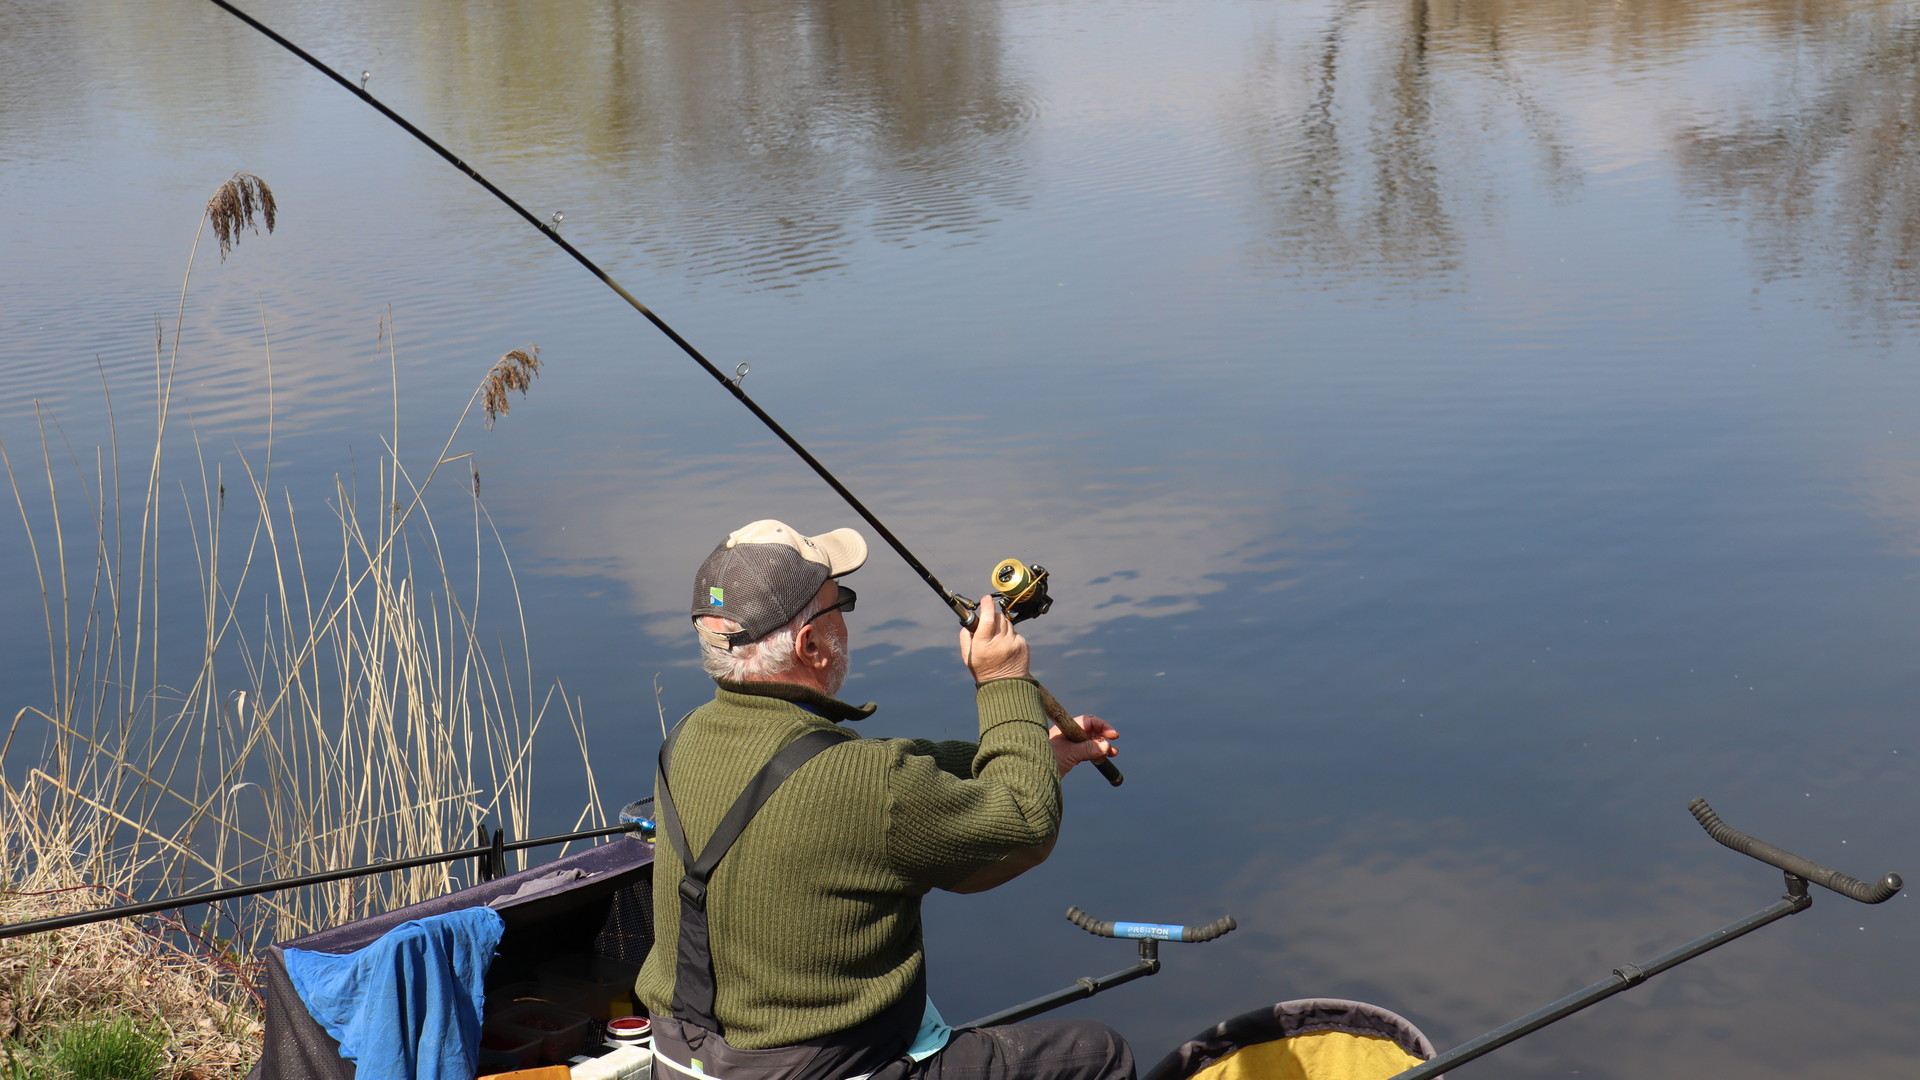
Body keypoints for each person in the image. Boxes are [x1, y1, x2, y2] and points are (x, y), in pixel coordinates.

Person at [637, 519, 1129, 1080]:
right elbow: (1025, 823)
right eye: (841, 602)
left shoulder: (686, 738)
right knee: (1099, 1054)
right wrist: (1003, 681)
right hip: (834, 1068)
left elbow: (866, 771)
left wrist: (1035, 754)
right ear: (810, 645)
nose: (847, 619)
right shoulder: (865, 782)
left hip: (684, 1060)